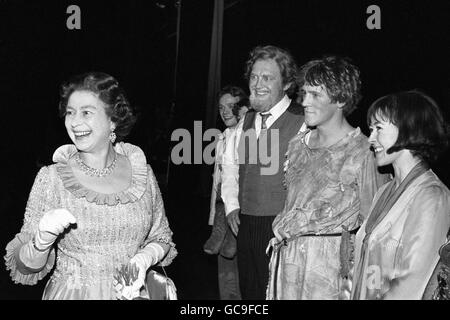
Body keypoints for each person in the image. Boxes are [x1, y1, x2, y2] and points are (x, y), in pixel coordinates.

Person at [4, 72, 177, 300]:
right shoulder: (52, 178)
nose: (75, 122)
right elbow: (26, 267)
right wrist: (41, 241)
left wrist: (144, 259)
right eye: (70, 113)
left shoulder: (141, 173)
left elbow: (161, 237)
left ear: (112, 119)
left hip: (135, 293)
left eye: (86, 112)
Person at [266, 55, 390, 300]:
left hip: (329, 276)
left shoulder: (364, 153)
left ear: (341, 99)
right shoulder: (297, 145)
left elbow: (375, 231)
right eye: (305, 94)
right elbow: (291, 205)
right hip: (287, 266)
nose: (305, 102)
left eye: (316, 95)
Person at [221, 45, 304, 299]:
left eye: (268, 78)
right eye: (254, 77)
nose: (258, 84)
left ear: (287, 83)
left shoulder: (302, 121)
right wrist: (232, 205)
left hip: (282, 230)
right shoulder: (245, 121)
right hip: (245, 224)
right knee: (250, 296)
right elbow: (231, 166)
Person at [351, 90, 450, 300]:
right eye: (371, 129)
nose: (371, 138)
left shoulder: (432, 197)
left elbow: (413, 282)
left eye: (378, 128)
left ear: (408, 130)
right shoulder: (384, 191)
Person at [203, 85, 249, 299]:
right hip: (222, 216)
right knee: (225, 274)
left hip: (241, 218)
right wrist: (215, 220)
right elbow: (218, 182)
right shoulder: (223, 136)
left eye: (231, 106)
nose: (224, 112)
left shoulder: (249, 135)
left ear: (244, 109)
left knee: (241, 277)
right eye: (221, 107)